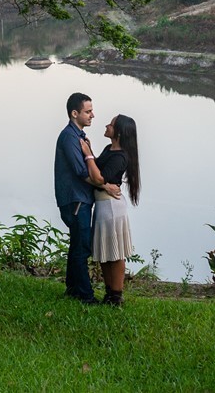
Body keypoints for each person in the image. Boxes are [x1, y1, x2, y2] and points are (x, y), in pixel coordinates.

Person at [54, 92, 120, 304]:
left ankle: (73, 289)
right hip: (75, 200)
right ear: (75, 113)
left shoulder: (80, 137)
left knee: (78, 245)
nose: (93, 115)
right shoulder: (69, 137)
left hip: (81, 199)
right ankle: (85, 295)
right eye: (88, 111)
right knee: (82, 248)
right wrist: (105, 185)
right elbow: (82, 172)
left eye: (92, 110)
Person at [81, 114, 140, 307]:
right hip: (104, 205)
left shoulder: (121, 157)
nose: (107, 125)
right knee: (107, 252)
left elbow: (99, 177)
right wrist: (91, 153)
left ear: (119, 132)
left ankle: (116, 296)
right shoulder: (110, 149)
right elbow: (97, 171)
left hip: (111, 207)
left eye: (112, 125)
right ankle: (109, 294)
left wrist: (88, 155)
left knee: (115, 253)